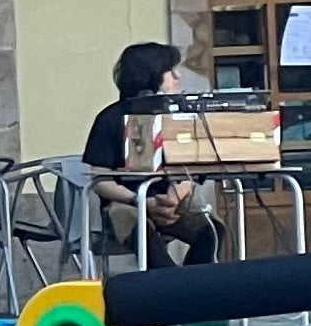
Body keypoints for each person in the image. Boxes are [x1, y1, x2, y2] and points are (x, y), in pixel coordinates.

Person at [83, 40, 226, 266]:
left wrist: (174, 197)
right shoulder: (109, 119)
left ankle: (195, 285)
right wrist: (142, 201)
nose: (177, 77)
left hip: (171, 199)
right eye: (170, 71)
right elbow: (100, 179)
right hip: (126, 203)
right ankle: (168, 287)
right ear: (152, 75)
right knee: (140, 230)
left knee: (211, 229)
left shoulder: (178, 118)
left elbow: (190, 170)